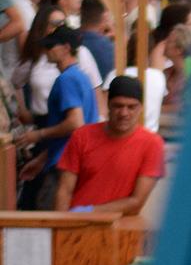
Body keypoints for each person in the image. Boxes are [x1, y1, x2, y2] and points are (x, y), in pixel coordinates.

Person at [54, 73, 163, 213]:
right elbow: (64, 190)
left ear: (140, 108)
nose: (124, 113)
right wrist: (60, 227)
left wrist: (90, 212)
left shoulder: (152, 144)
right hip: (76, 225)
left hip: (119, 229)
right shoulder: (81, 136)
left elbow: (136, 202)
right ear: (108, 105)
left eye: (131, 107)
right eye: (118, 106)